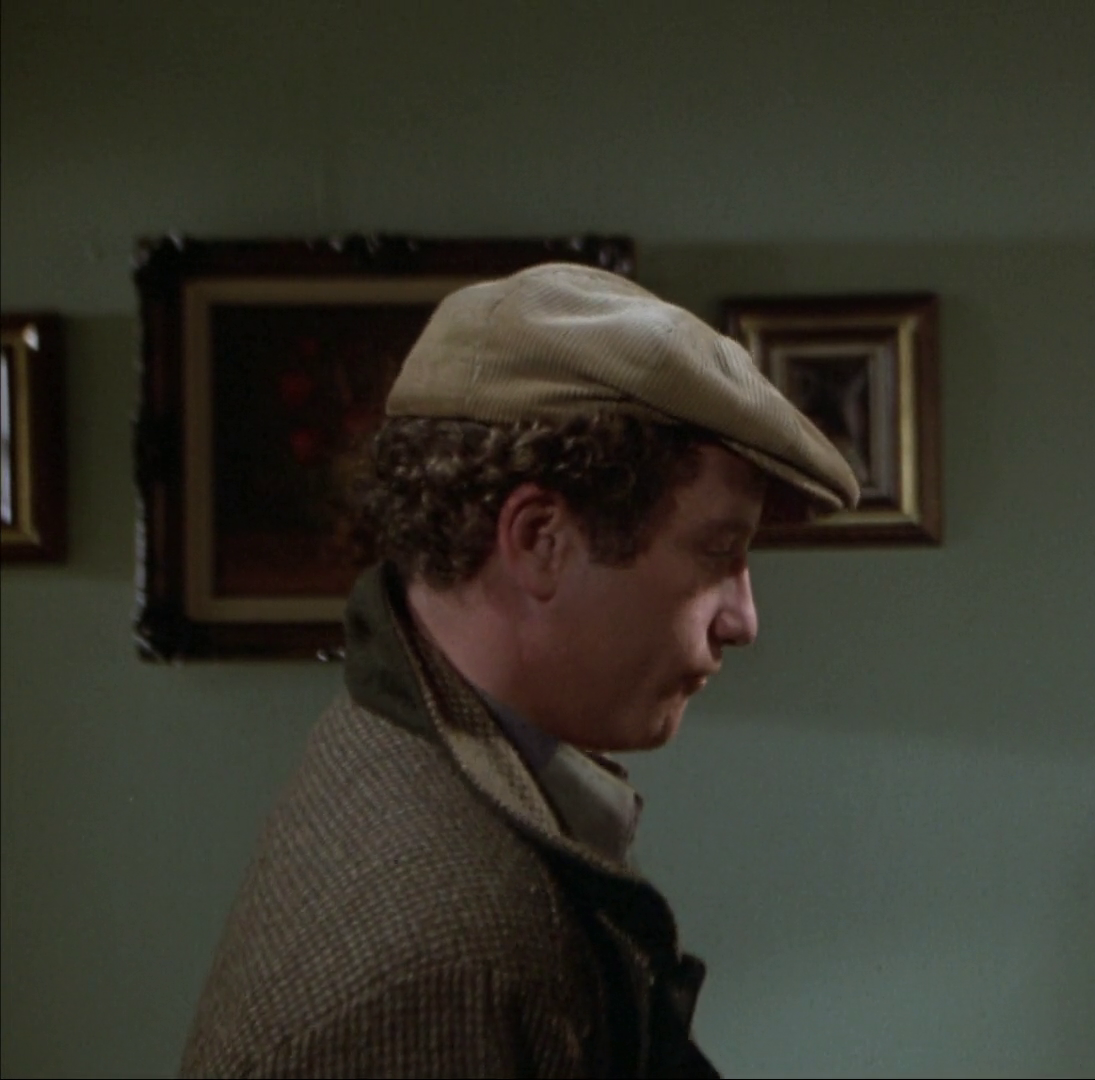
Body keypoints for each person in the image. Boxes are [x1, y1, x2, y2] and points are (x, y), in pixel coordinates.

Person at [179, 263, 859, 1077]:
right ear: (541, 539)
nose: (743, 620)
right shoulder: (443, 967)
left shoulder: (402, 743)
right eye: (718, 552)